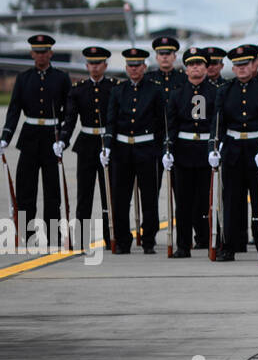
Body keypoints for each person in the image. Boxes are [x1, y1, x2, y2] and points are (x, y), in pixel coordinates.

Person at [0, 34, 71, 246]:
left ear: (51, 53)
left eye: (44, 51)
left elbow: (69, 112)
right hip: (29, 138)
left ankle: (53, 235)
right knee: (25, 191)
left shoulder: (61, 78)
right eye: (37, 51)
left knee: (52, 192)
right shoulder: (23, 78)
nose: (40, 55)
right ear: (32, 53)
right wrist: (5, 137)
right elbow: (14, 110)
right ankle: (26, 234)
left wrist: (64, 139)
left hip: (52, 138)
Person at [210, 45, 258, 261]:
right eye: (238, 65)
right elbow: (218, 123)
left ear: (253, 66)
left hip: (257, 150)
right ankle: (229, 245)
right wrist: (214, 148)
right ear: (233, 68)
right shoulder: (225, 91)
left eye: (245, 64)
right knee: (231, 202)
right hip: (234, 151)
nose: (242, 69)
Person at [103, 47, 166, 254]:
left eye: (137, 65)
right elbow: (111, 121)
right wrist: (107, 146)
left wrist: (160, 149)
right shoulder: (118, 90)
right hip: (122, 150)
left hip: (146, 149)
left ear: (145, 67)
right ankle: (122, 240)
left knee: (149, 198)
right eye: (130, 65)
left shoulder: (155, 90)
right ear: (126, 67)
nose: (134, 69)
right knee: (121, 198)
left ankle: (148, 239)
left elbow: (160, 122)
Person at [163, 47, 220, 257]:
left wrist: (216, 147)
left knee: (208, 200)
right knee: (183, 203)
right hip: (184, 152)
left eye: (199, 64)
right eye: (191, 65)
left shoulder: (215, 92)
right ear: (186, 69)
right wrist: (167, 150)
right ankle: (183, 245)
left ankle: (211, 239)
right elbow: (171, 125)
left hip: (206, 152)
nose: (195, 68)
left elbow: (217, 122)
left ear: (206, 68)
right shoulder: (177, 94)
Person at [57, 46, 115, 250]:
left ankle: (112, 237)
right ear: (86, 65)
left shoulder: (114, 88)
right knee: (84, 195)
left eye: (98, 63)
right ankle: (81, 238)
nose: (95, 67)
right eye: (91, 63)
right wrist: (63, 140)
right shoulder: (78, 89)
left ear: (105, 65)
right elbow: (70, 119)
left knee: (109, 194)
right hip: (87, 144)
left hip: (108, 146)